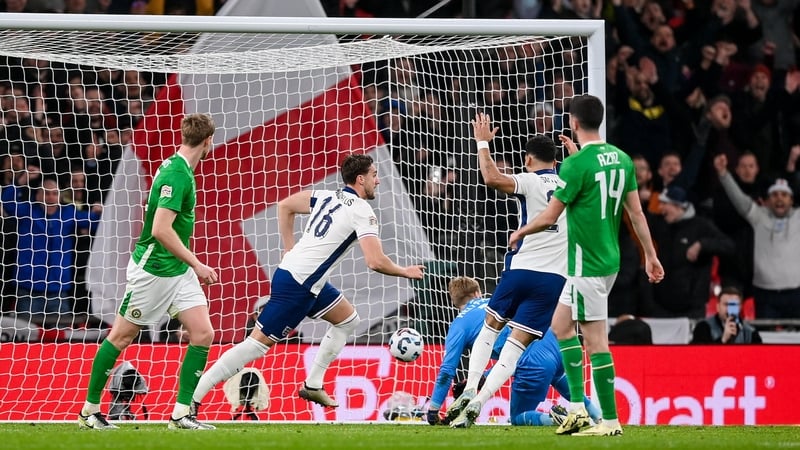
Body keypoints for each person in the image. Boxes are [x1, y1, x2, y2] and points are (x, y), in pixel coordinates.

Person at [190, 153, 425, 412]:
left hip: (302, 278)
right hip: (298, 286)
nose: (377, 181)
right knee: (255, 346)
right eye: (374, 175)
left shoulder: (326, 195)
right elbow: (375, 261)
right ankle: (193, 397)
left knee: (348, 320)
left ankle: (313, 384)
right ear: (360, 179)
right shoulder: (362, 211)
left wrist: (288, 248)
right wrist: (406, 271)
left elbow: (285, 205)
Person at [508, 95, 664, 436]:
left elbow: (551, 214)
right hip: (609, 259)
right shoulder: (621, 159)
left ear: (574, 123)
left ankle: (609, 421)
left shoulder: (576, 166)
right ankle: (578, 407)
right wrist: (649, 255)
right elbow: (635, 212)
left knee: (595, 343)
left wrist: (521, 229)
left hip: (586, 265)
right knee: (561, 325)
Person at [77, 113, 219, 430]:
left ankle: (182, 413)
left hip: (176, 269)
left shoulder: (175, 166)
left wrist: (188, 265)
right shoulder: (178, 175)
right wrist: (197, 263)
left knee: (203, 333)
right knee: (122, 335)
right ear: (208, 141)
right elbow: (160, 230)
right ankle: (89, 411)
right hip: (155, 269)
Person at [447, 114, 567, 428]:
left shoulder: (529, 179)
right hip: (554, 280)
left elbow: (492, 178)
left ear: (529, 158)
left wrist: (483, 142)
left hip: (523, 268)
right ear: (556, 159)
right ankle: (479, 402)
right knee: (516, 346)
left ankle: (470, 387)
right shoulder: (570, 186)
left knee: (491, 326)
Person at [426, 276, 600, 427]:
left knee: (518, 416)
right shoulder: (498, 304)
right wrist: (484, 376)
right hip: (554, 340)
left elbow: (446, 372)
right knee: (558, 377)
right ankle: (599, 417)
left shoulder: (459, 325)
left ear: (454, 302)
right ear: (478, 293)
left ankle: (558, 419)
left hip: (531, 358)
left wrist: (433, 410)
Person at [713, 153, 800, 319]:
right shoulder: (758, 216)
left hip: (796, 293)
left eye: (784, 195)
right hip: (765, 294)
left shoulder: (798, 217)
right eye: (774, 195)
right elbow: (738, 198)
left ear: (791, 200)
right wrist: (723, 174)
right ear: (767, 200)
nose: (779, 199)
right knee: (766, 341)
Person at [691, 286, 762, 344]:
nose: (729, 309)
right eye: (726, 304)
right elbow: (699, 357)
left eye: (733, 305)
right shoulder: (703, 327)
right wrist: (723, 340)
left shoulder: (750, 333)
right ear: (718, 307)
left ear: (740, 308)